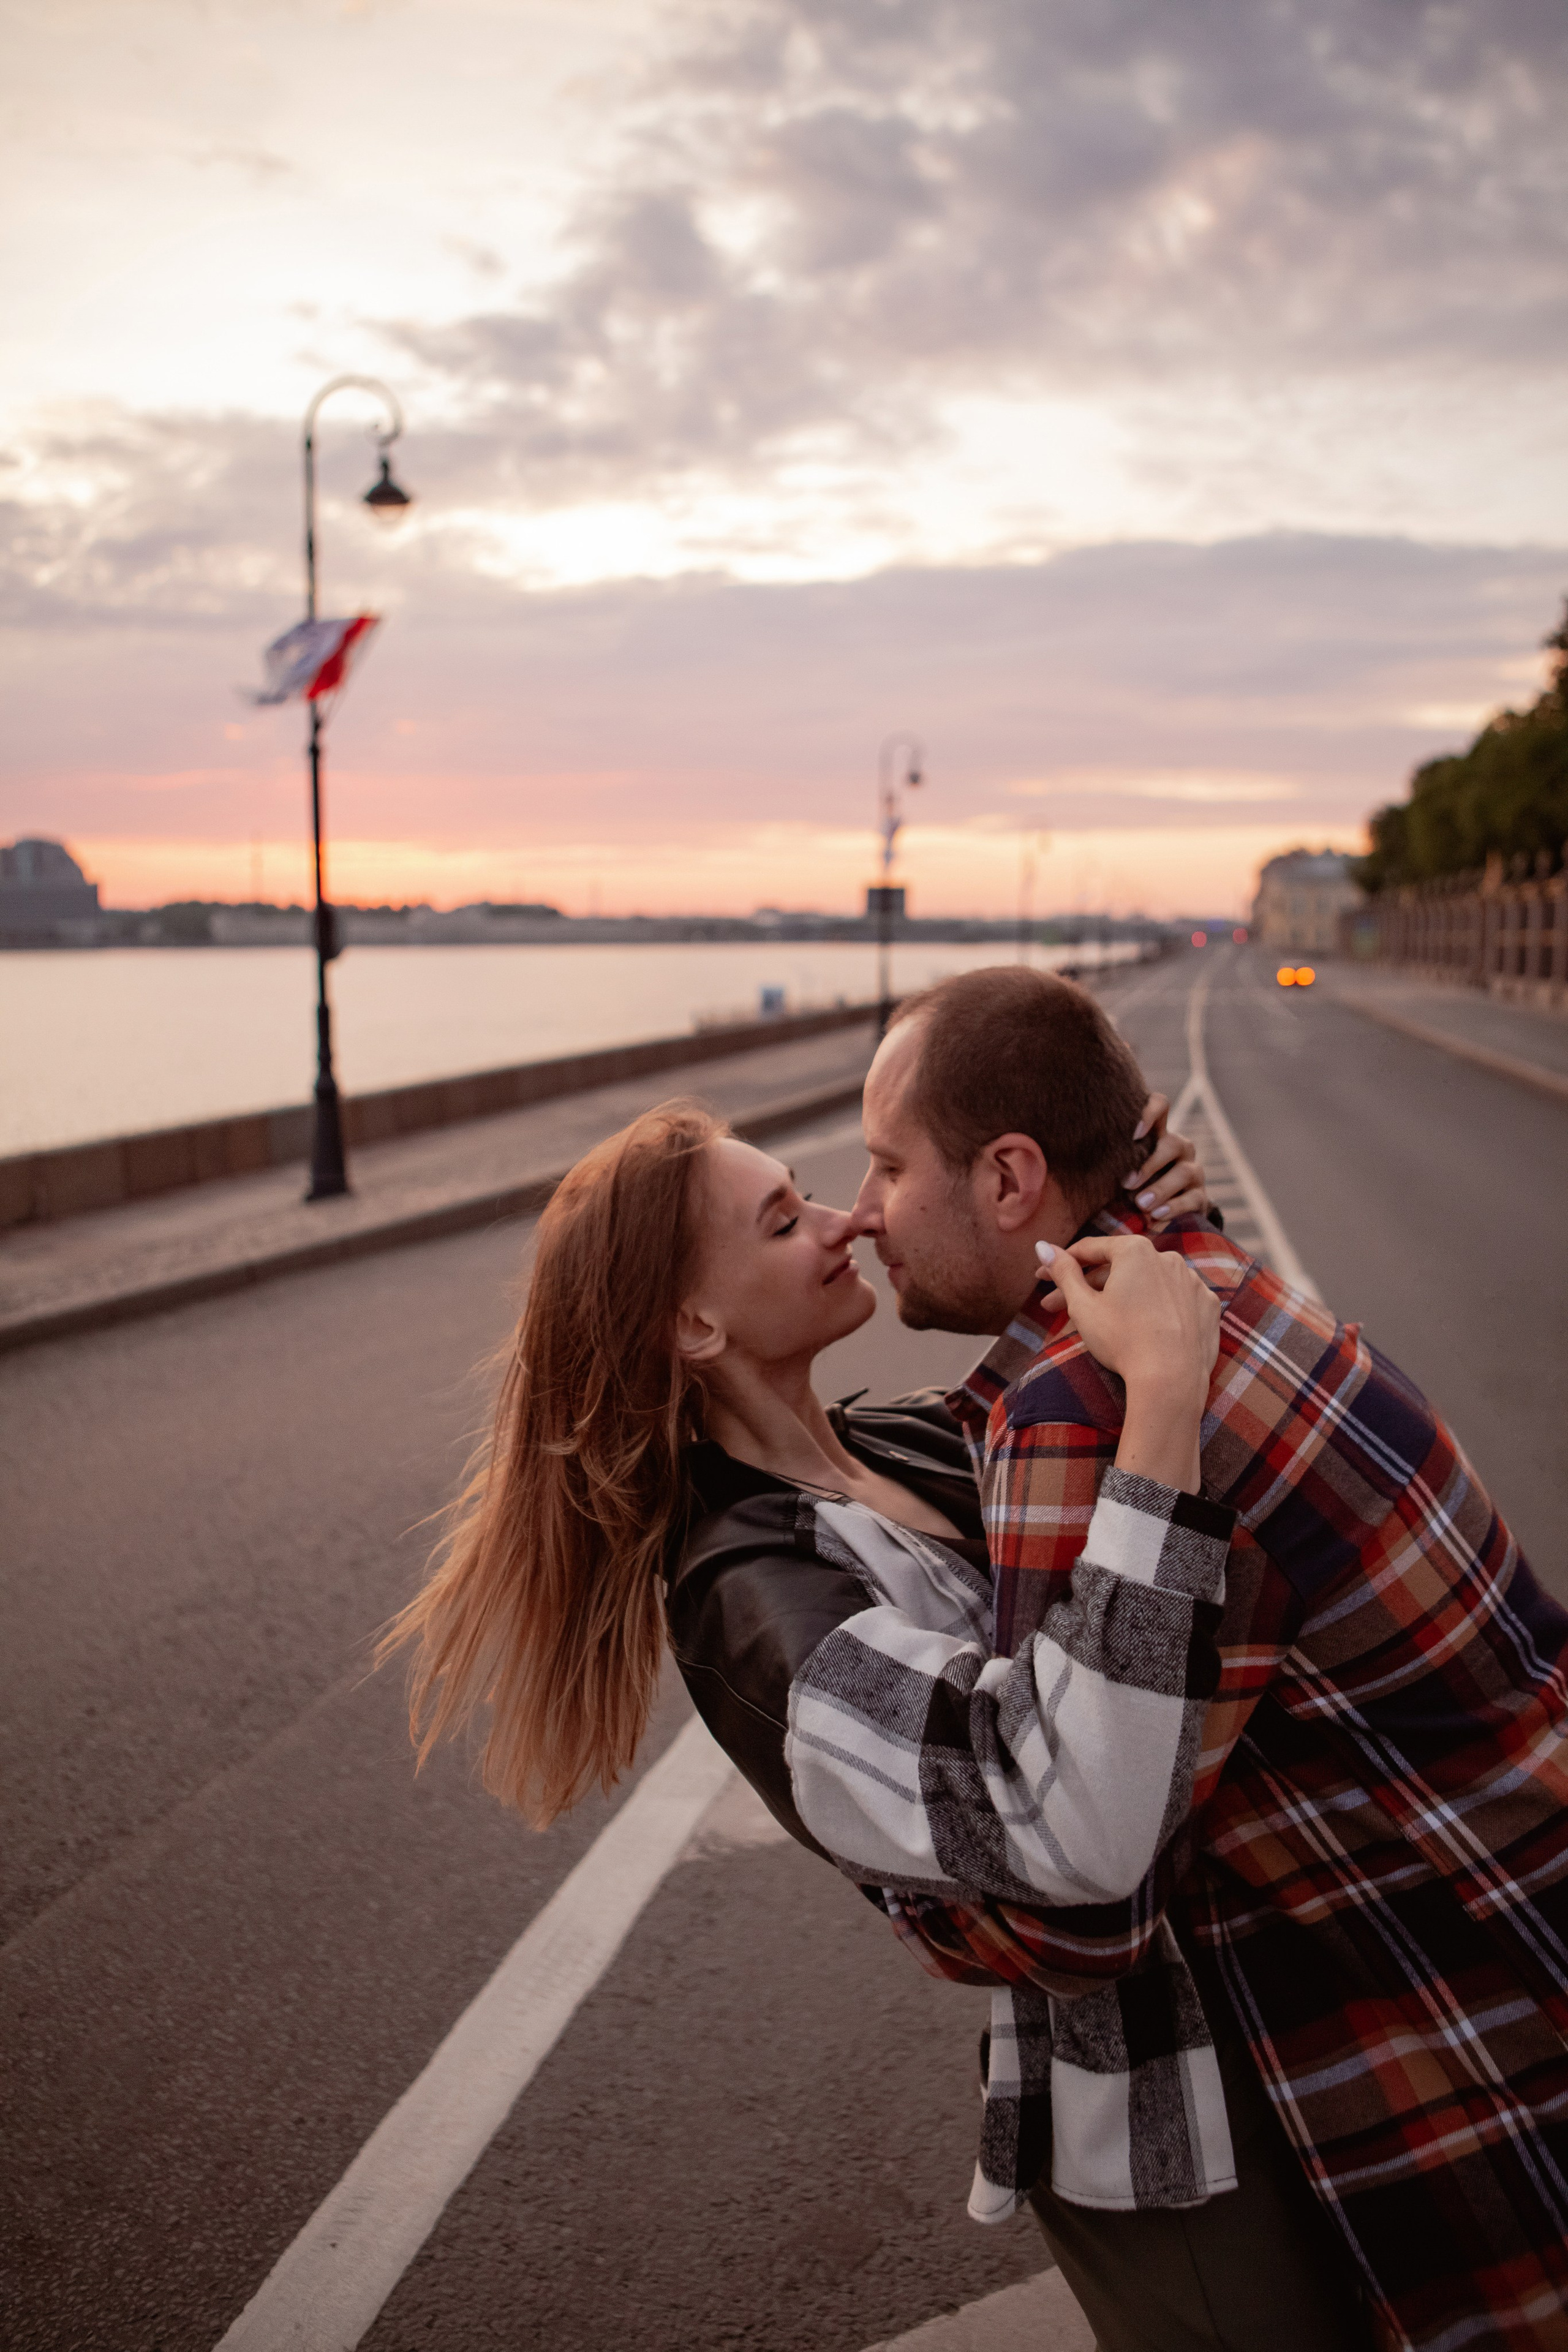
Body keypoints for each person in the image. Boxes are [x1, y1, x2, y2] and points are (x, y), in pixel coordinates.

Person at [381, 1077, 1268, 2329]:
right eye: (785, 1220)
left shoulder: (898, 1441)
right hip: (1159, 2120)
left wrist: (1151, 1218)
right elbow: (1059, 1821)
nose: (846, 1220)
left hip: (1270, 2005)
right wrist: (1163, 1405)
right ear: (695, 1324)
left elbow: (1116, 1438)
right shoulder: (748, 1602)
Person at [841, 964, 1568, 2352]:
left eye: (886, 1164)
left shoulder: (1081, 1404)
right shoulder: (1198, 1280)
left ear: (1009, 1178)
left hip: (1474, 2029)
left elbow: (1077, 1894)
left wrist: (878, 1831)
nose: (861, 1208)